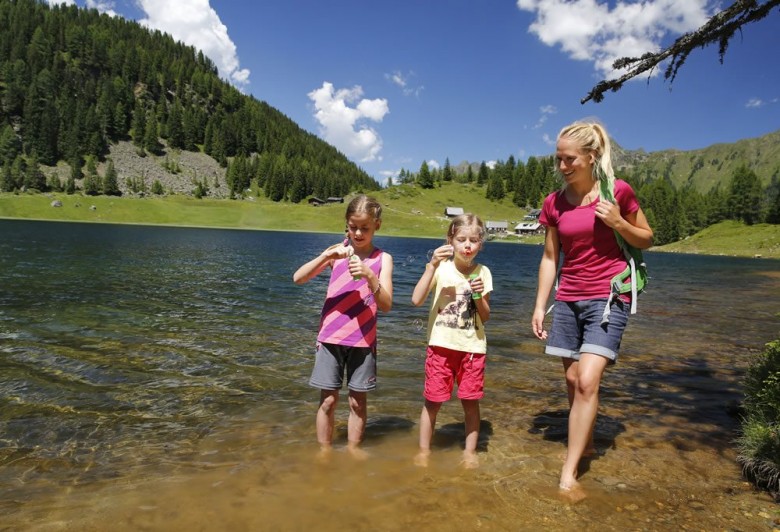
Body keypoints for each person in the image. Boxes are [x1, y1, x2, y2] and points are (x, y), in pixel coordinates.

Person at [531, 120, 653, 493]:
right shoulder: (554, 203)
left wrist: (619, 222)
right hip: (568, 297)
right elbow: (551, 257)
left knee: (586, 380)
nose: (563, 166)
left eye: (569, 159)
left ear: (591, 156)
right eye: (558, 159)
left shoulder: (617, 192)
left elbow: (646, 239)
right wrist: (540, 306)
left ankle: (569, 471)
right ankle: (587, 439)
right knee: (572, 380)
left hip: (610, 295)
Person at [293, 194, 393, 458]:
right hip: (330, 339)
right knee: (328, 400)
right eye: (353, 226)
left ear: (377, 226)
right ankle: (324, 451)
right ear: (346, 225)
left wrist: (370, 275)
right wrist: (326, 254)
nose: (358, 233)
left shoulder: (383, 259)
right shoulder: (336, 254)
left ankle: (352, 450)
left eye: (365, 228)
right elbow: (298, 279)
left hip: (363, 341)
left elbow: (386, 304)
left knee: (357, 402)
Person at [411, 213, 493, 468]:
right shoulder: (441, 268)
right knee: (432, 402)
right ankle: (424, 451)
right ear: (450, 241)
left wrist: (478, 295)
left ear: (480, 244)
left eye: (473, 240)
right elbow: (416, 299)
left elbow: (486, 316)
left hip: (472, 349)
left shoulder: (484, 272)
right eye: (461, 239)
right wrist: (431, 266)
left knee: (470, 401)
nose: (467, 245)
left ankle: (469, 452)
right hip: (440, 348)